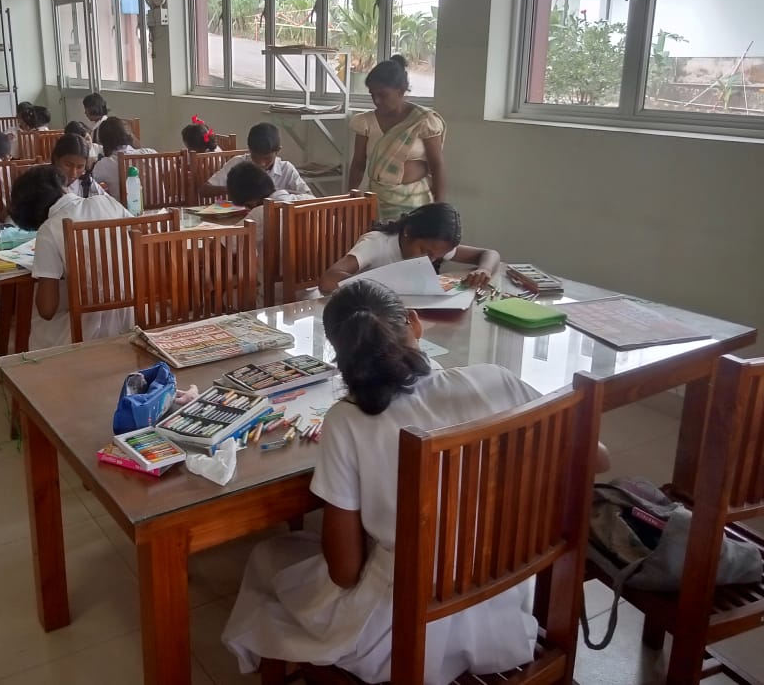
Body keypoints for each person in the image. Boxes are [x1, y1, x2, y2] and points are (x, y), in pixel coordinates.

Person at [222, 280, 543, 685]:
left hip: (402, 638)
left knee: (268, 556)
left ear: (342, 355)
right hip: (503, 616)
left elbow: (344, 571)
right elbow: (596, 455)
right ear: (415, 323)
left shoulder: (348, 421)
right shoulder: (497, 381)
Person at [31, 163, 135, 350]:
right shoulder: (108, 202)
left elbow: (47, 310)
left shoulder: (49, 228)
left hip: (86, 330)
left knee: (39, 319)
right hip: (132, 318)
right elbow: (139, 234)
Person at [319, 202, 499, 294]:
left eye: (437, 257)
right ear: (408, 231)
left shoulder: (435, 247)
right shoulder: (377, 243)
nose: (430, 260)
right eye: (425, 251)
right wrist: (381, 284)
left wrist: (484, 269)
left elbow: (489, 254)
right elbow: (328, 280)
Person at [348, 55, 446, 220]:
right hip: (378, 201)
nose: (377, 100)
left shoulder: (423, 121)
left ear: (401, 90)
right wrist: (351, 195)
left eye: (383, 95)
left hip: (416, 203)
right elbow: (358, 163)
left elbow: (437, 165)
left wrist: (440, 208)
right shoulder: (365, 122)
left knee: (413, 243)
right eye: (372, 95)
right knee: (379, 242)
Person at [226, 161, 309, 303]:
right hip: (316, 292)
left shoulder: (261, 213)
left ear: (251, 202)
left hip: (275, 299)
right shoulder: (310, 201)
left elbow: (227, 246)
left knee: (224, 296)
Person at [199, 122, 311, 198]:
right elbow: (204, 190)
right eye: (256, 157)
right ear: (249, 150)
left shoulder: (286, 169)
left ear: (278, 151)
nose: (262, 163)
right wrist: (236, 189)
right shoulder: (238, 164)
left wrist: (278, 192)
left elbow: (310, 197)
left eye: (267, 158)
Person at [90, 117, 156, 203]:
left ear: (103, 142)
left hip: (126, 213)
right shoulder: (151, 153)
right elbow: (172, 167)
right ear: (129, 135)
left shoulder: (104, 164)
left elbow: (89, 185)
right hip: (163, 212)